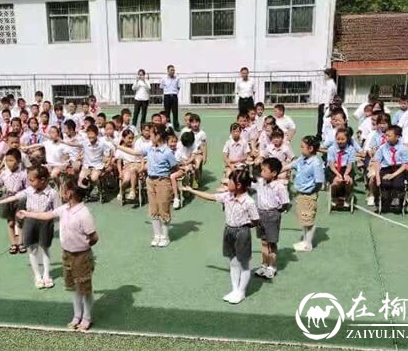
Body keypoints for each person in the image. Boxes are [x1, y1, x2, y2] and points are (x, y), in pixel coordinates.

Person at [16, 178, 98, 332]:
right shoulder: (64, 208)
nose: (61, 192)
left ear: (70, 193)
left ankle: (86, 317)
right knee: (74, 287)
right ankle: (77, 315)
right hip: (67, 254)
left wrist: (85, 247)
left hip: (81, 255)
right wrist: (27, 213)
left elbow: (94, 236)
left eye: (63, 189)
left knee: (84, 288)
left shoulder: (84, 213)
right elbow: (47, 215)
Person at [183, 169, 258, 304]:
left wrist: (245, 227)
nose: (226, 182)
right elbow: (211, 197)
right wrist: (192, 190)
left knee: (244, 263)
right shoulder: (227, 196)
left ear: (239, 185)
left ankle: (241, 292)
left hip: (242, 232)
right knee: (233, 262)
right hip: (228, 230)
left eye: (229, 180)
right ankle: (235, 289)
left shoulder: (248, 202)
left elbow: (255, 220)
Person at [0, 166, 59, 289]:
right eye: (29, 180)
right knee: (32, 250)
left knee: (45, 249)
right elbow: (15, 197)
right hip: (30, 223)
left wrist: (51, 219)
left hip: (46, 223)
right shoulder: (28, 191)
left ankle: (46, 275)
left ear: (43, 180)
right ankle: (37, 276)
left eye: (32, 180)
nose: (29, 182)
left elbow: (57, 212)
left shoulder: (53, 193)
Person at [117, 124, 177, 247]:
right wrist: (118, 146)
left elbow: (174, 167)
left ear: (159, 135)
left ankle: (165, 236)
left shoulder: (167, 152)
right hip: (150, 181)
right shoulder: (150, 148)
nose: (150, 136)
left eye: (152, 134)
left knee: (164, 208)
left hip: (163, 182)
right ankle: (157, 235)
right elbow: (135, 152)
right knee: (153, 209)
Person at [253, 157, 289, 279]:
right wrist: (255, 164)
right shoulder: (260, 182)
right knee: (263, 241)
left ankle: (272, 267)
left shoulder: (279, 186)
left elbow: (285, 203)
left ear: (273, 173)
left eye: (264, 170)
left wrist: (277, 212)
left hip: (272, 214)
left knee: (271, 243)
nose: (261, 172)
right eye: (261, 170)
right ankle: (264, 265)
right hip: (260, 214)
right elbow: (252, 176)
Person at [287, 136, 325, 252]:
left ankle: (308, 244)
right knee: (303, 219)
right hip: (300, 194)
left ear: (311, 148)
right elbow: (291, 165)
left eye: (303, 147)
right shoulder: (302, 159)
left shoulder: (315, 163)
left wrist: (312, 192)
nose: (301, 149)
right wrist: (278, 170)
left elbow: (319, 182)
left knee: (308, 220)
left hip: (308, 195)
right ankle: (304, 240)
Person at [0, 149, 27, 255]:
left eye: (11, 160)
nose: (8, 163)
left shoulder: (23, 174)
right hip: (7, 197)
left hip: (19, 198)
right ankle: (13, 244)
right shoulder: (5, 173)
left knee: (19, 221)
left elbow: (27, 188)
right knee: (10, 222)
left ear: (19, 161)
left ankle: (20, 243)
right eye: (6, 160)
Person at [373, 125, 408, 212]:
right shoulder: (382, 147)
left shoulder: (404, 148)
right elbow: (377, 162)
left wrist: (393, 175)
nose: (386, 137)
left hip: (399, 169)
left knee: (398, 184)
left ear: (397, 137)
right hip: (386, 168)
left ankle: (400, 199)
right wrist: (378, 178)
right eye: (386, 135)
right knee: (385, 184)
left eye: (389, 136)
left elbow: (405, 165)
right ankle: (385, 200)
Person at [327, 128, 356, 208]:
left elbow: (350, 164)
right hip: (334, 169)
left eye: (342, 139)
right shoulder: (331, 149)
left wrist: (346, 174)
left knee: (348, 181)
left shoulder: (351, 150)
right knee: (337, 182)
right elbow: (331, 164)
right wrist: (338, 174)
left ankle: (347, 197)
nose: (340, 141)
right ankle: (334, 197)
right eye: (338, 139)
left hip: (346, 169)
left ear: (347, 139)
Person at [317, 68, 337, 138]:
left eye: (325, 75)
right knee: (323, 120)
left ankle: (320, 135)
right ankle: (322, 134)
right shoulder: (331, 83)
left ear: (329, 75)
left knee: (322, 121)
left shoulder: (330, 83)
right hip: (325, 103)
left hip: (325, 104)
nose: (324, 76)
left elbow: (329, 95)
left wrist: (326, 106)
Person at [160, 65, 180, 131]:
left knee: (175, 112)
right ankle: (168, 126)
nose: (173, 71)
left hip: (174, 96)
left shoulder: (177, 78)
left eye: (173, 70)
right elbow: (161, 87)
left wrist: (174, 92)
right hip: (167, 96)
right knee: (167, 112)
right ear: (168, 71)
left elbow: (178, 87)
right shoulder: (163, 79)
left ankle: (176, 126)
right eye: (171, 70)